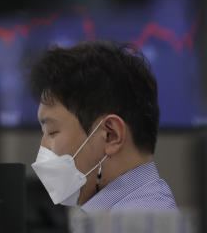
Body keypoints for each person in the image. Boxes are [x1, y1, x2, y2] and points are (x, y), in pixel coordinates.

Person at [27, 40, 177, 211]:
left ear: (110, 135)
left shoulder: (135, 223)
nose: (43, 147)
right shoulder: (115, 216)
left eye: (52, 132)